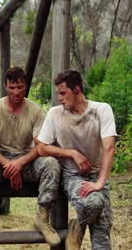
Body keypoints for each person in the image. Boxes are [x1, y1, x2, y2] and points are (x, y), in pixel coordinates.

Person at [0, 67, 61, 248]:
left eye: (19, 87)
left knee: (51, 163)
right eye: (12, 87)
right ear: (5, 86)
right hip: (0, 162)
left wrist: (20, 163)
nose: (16, 92)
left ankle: (43, 218)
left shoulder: (35, 111)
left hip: (26, 160)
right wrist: (8, 165)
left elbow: (41, 145)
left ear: (25, 86)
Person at [38, 70, 116, 250]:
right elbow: (42, 147)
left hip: (98, 176)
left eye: (63, 93)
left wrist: (100, 182)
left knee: (103, 238)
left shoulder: (101, 110)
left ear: (77, 90)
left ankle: (78, 224)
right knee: (95, 202)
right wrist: (71, 153)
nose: (59, 98)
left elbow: (109, 148)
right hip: (73, 176)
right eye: (58, 93)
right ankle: (78, 225)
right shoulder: (55, 114)